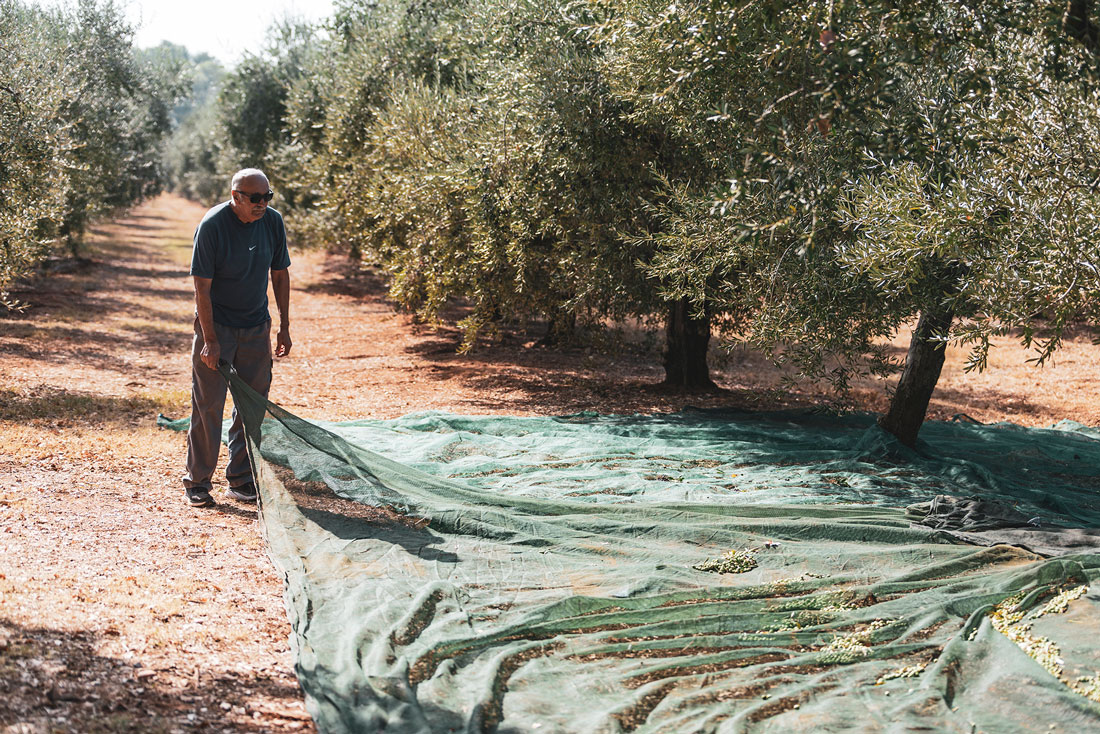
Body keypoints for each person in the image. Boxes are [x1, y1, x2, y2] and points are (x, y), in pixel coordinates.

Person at [182, 168, 292, 508]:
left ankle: (241, 479)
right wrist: (210, 340)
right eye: (255, 198)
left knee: (252, 407)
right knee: (208, 406)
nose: (262, 204)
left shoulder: (272, 222)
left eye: (267, 197)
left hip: (255, 326)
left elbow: (280, 273)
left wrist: (284, 325)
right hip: (218, 327)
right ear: (236, 197)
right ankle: (197, 482)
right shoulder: (213, 225)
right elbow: (202, 286)